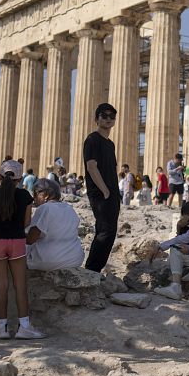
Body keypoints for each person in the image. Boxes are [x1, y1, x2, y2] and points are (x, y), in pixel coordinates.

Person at [0, 160, 46, 339]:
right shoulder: (25, 196)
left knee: (1, 285)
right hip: (17, 240)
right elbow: (27, 222)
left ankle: (1, 328)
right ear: (19, 179)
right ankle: (24, 326)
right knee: (20, 284)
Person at [83, 103, 121, 273]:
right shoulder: (92, 139)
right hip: (100, 193)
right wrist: (104, 190)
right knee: (105, 231)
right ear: (97, 118)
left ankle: (95, 270)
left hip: (111, 192)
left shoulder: (110, 144)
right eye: (104, 115)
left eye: (111, 116)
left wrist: (113, 192)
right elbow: (92, 166)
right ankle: (91, 269)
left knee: (109, 231)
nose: (108, 119)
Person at [26, 178, 84, 270]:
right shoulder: (69, 208)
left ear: (46, 195)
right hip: (75, 259)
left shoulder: (44, 208)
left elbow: (30, 239)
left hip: (50, 261)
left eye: (35, 194)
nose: (34, 198)